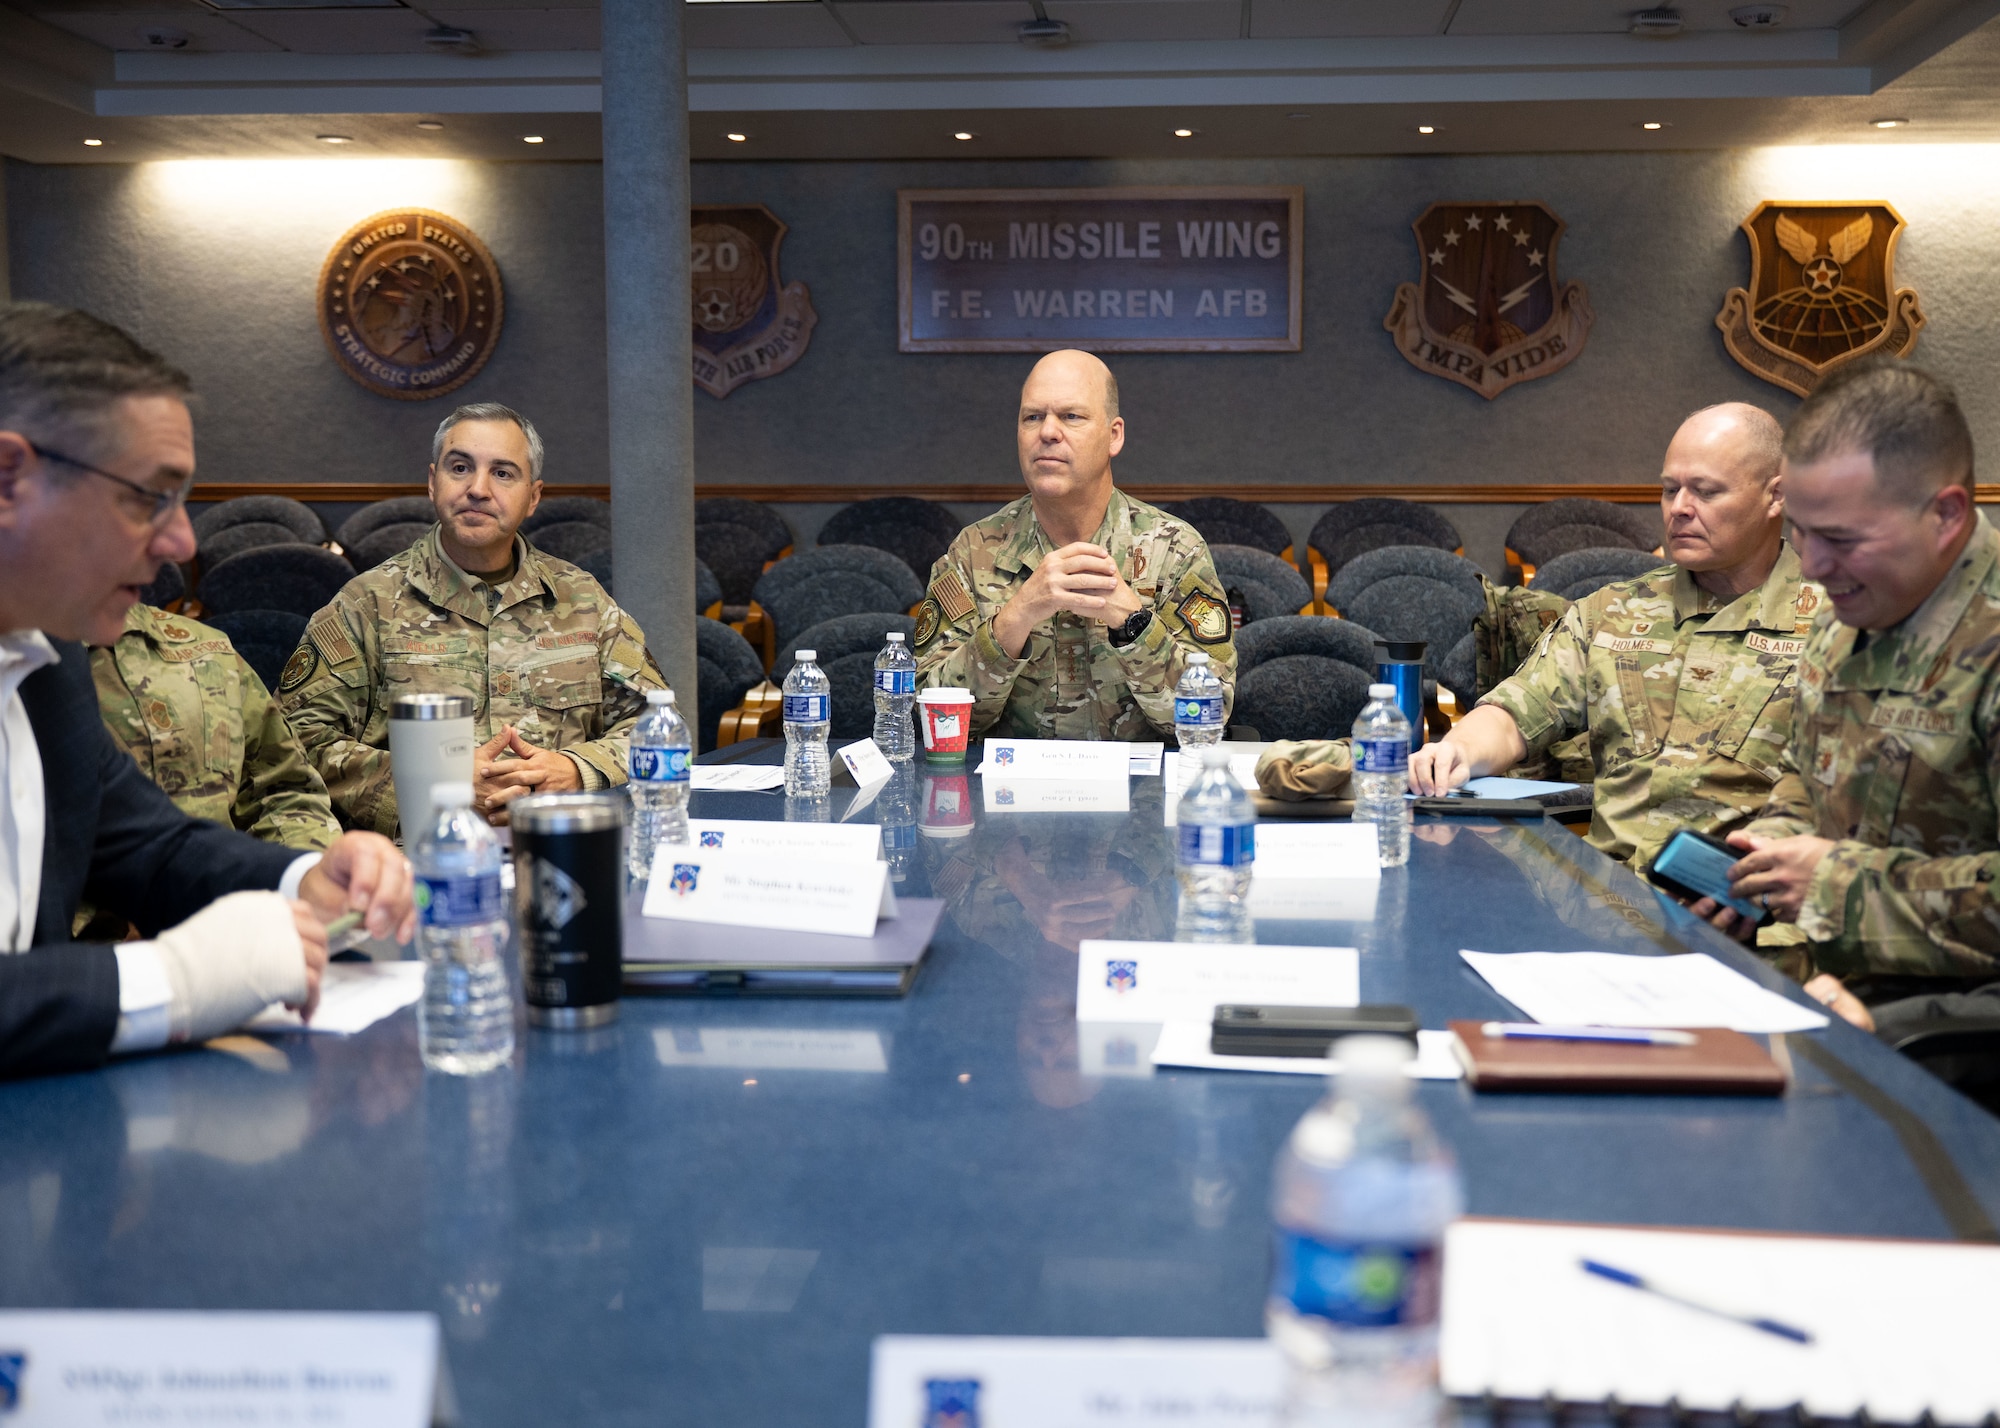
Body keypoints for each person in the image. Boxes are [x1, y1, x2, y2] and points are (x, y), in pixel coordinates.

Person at [0, 301, 413, 1079]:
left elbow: (149, 848)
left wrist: (305, 882)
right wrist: (174, 981)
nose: (183, 541)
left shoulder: (45, 658)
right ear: (9, 477)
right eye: (146, 497)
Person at [1259, 403, 1821, 878]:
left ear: (1776, 496)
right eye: (1670, 489)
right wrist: (1457, 751)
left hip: (1747, 916)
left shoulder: (1834, 628)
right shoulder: (1616, 612)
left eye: (1706, 492)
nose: (1679, 509)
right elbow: (1514, 712)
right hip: (1609, 900)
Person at [1704, 364, 2000, 1040]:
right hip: (1836, 998)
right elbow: (1810, 771)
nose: (1811, 566)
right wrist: (1773, 851)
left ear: (1946, 515)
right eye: (1802, 533)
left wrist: (1838, 888)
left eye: (1840, 539)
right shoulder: (1849, 612)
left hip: (1953, 1037)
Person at [279, 402, 669, 831]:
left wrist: (577, 770)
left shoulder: (583, 600)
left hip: (563, 841)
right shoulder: (367, 604)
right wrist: (436, 783)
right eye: (461, 467)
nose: (478, 489)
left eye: (502, 473)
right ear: (433, 482)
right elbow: (296, 741)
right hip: (422, 851)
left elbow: (657, 728)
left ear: (533, 497)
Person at [913, 350, 1236, 740]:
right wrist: (1014, 619)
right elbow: (928, 717)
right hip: (1008, 779)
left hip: (1136, 780)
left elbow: (1210, 713)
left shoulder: (1174, 550)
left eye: (1071, 416)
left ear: (1114, 435)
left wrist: (1133, 623)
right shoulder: (972, 552)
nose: (1048, 432)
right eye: (1032, 417)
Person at [92, 603, 340, 851]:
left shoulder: (209, 650)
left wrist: (306, 867)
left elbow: (283, 792)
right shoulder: (68, 681)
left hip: (237, 869)